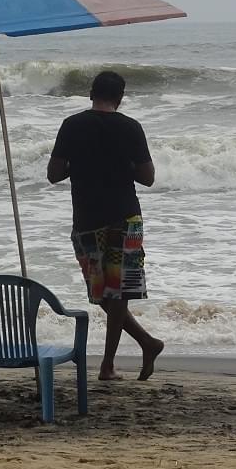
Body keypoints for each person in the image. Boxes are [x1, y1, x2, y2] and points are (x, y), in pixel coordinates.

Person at [47, 70, 165, 381]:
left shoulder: (72, 125)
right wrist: (122, 164)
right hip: (124, 217)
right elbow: (148, 178)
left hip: (86, 217)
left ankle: (109, 364)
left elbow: (54, 174)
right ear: (120, 97)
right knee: (115, 293)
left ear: (90, 93)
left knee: (102, 294)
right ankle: (146, 343)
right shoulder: (130, 127)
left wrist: (81, 163)